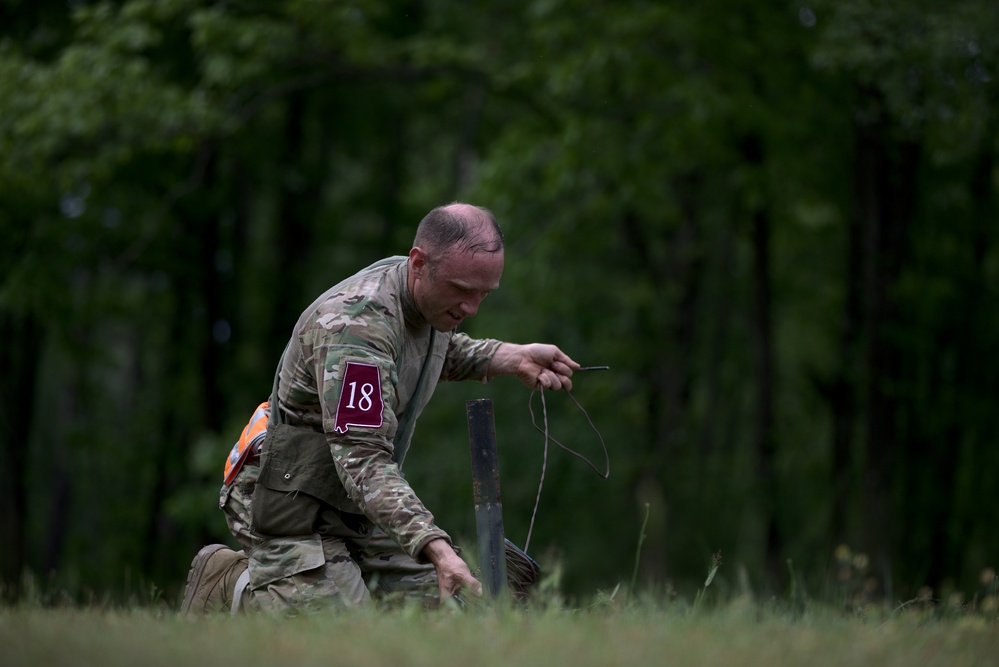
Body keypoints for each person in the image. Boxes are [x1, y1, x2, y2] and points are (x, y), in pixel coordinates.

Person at [180, 202, 579, 614]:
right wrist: (437, 549)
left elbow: (429, 349)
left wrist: (509, 357)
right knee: (343, 637)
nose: (472, 308)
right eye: (463, 290)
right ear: (420, 263)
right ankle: (231, 584)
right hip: (288, 501)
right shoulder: (357, 327)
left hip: (354, 501)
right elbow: (364, 459)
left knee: (453, 610)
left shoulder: (419, 298)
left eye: (483, 293)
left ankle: (334, 582)